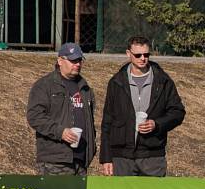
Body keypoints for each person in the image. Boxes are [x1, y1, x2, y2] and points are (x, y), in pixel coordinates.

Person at [100, 36, 185, 176]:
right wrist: (106, 158)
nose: (143, 58)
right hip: (122, 158)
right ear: (128, 54)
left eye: (146, 54)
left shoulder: (163, 81)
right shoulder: (116, 82)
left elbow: (178, 112)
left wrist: (156, 124)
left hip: (152, 157)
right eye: (138, 55)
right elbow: (107, 121)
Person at [26, 42, 96, 175]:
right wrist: (61, 132)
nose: (77, 64)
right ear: (60, 61)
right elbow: (34, 116)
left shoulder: (85, 88)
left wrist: (91, 148)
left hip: (81, 160)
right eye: (72, 60)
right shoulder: (45, 85)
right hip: (55, 160)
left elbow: (90, 122)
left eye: (79, 60)